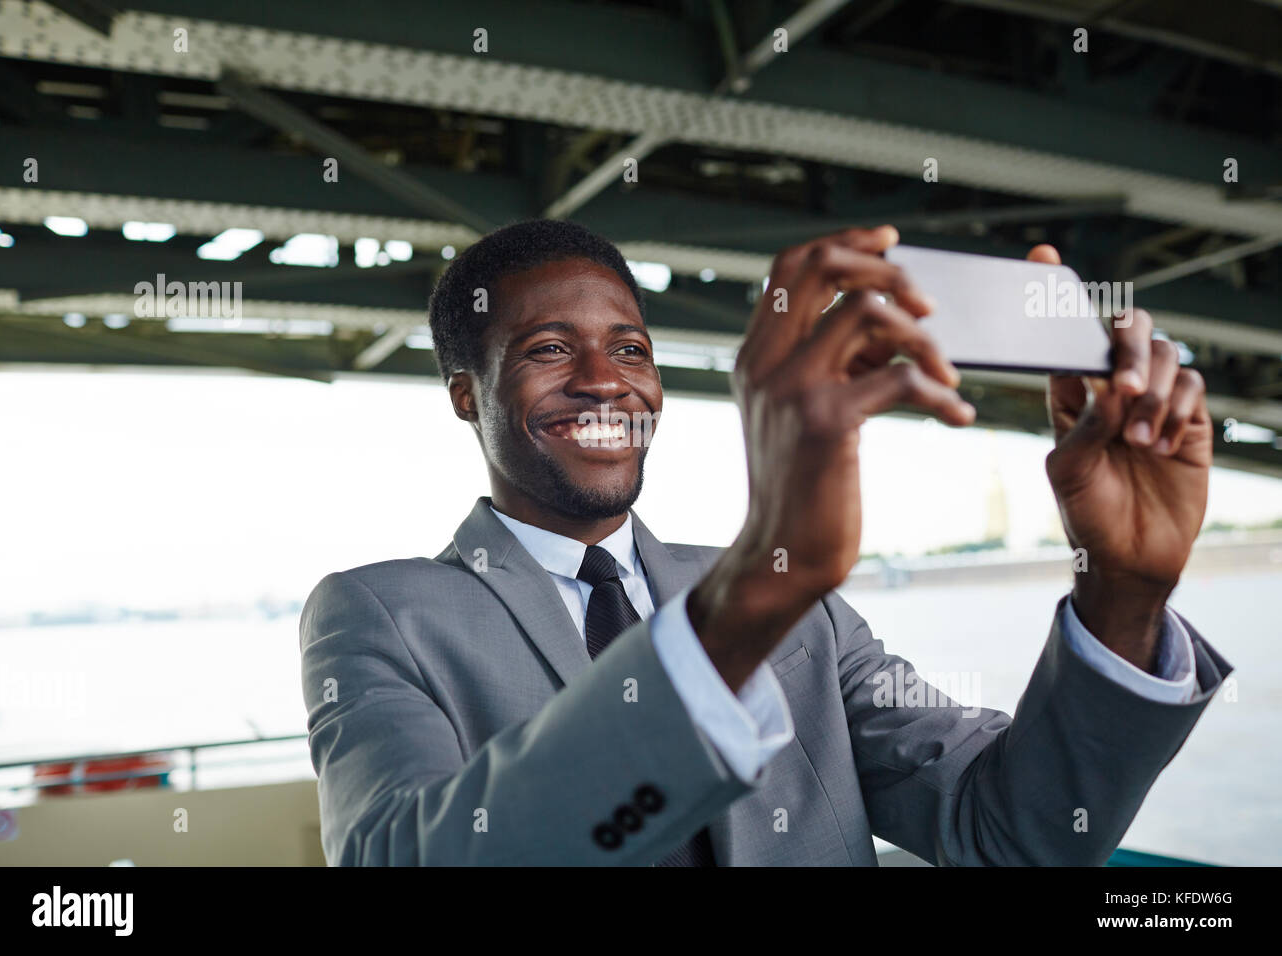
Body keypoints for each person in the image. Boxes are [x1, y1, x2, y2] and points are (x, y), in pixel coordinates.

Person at [299, 218, 1231, 866]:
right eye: (547, 349)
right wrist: (749, 597)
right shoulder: (380, 612)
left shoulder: (800, 608)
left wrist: (1122, 592)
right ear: (465, 392)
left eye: (630, 348)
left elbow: (1013, 833)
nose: (604, 381)